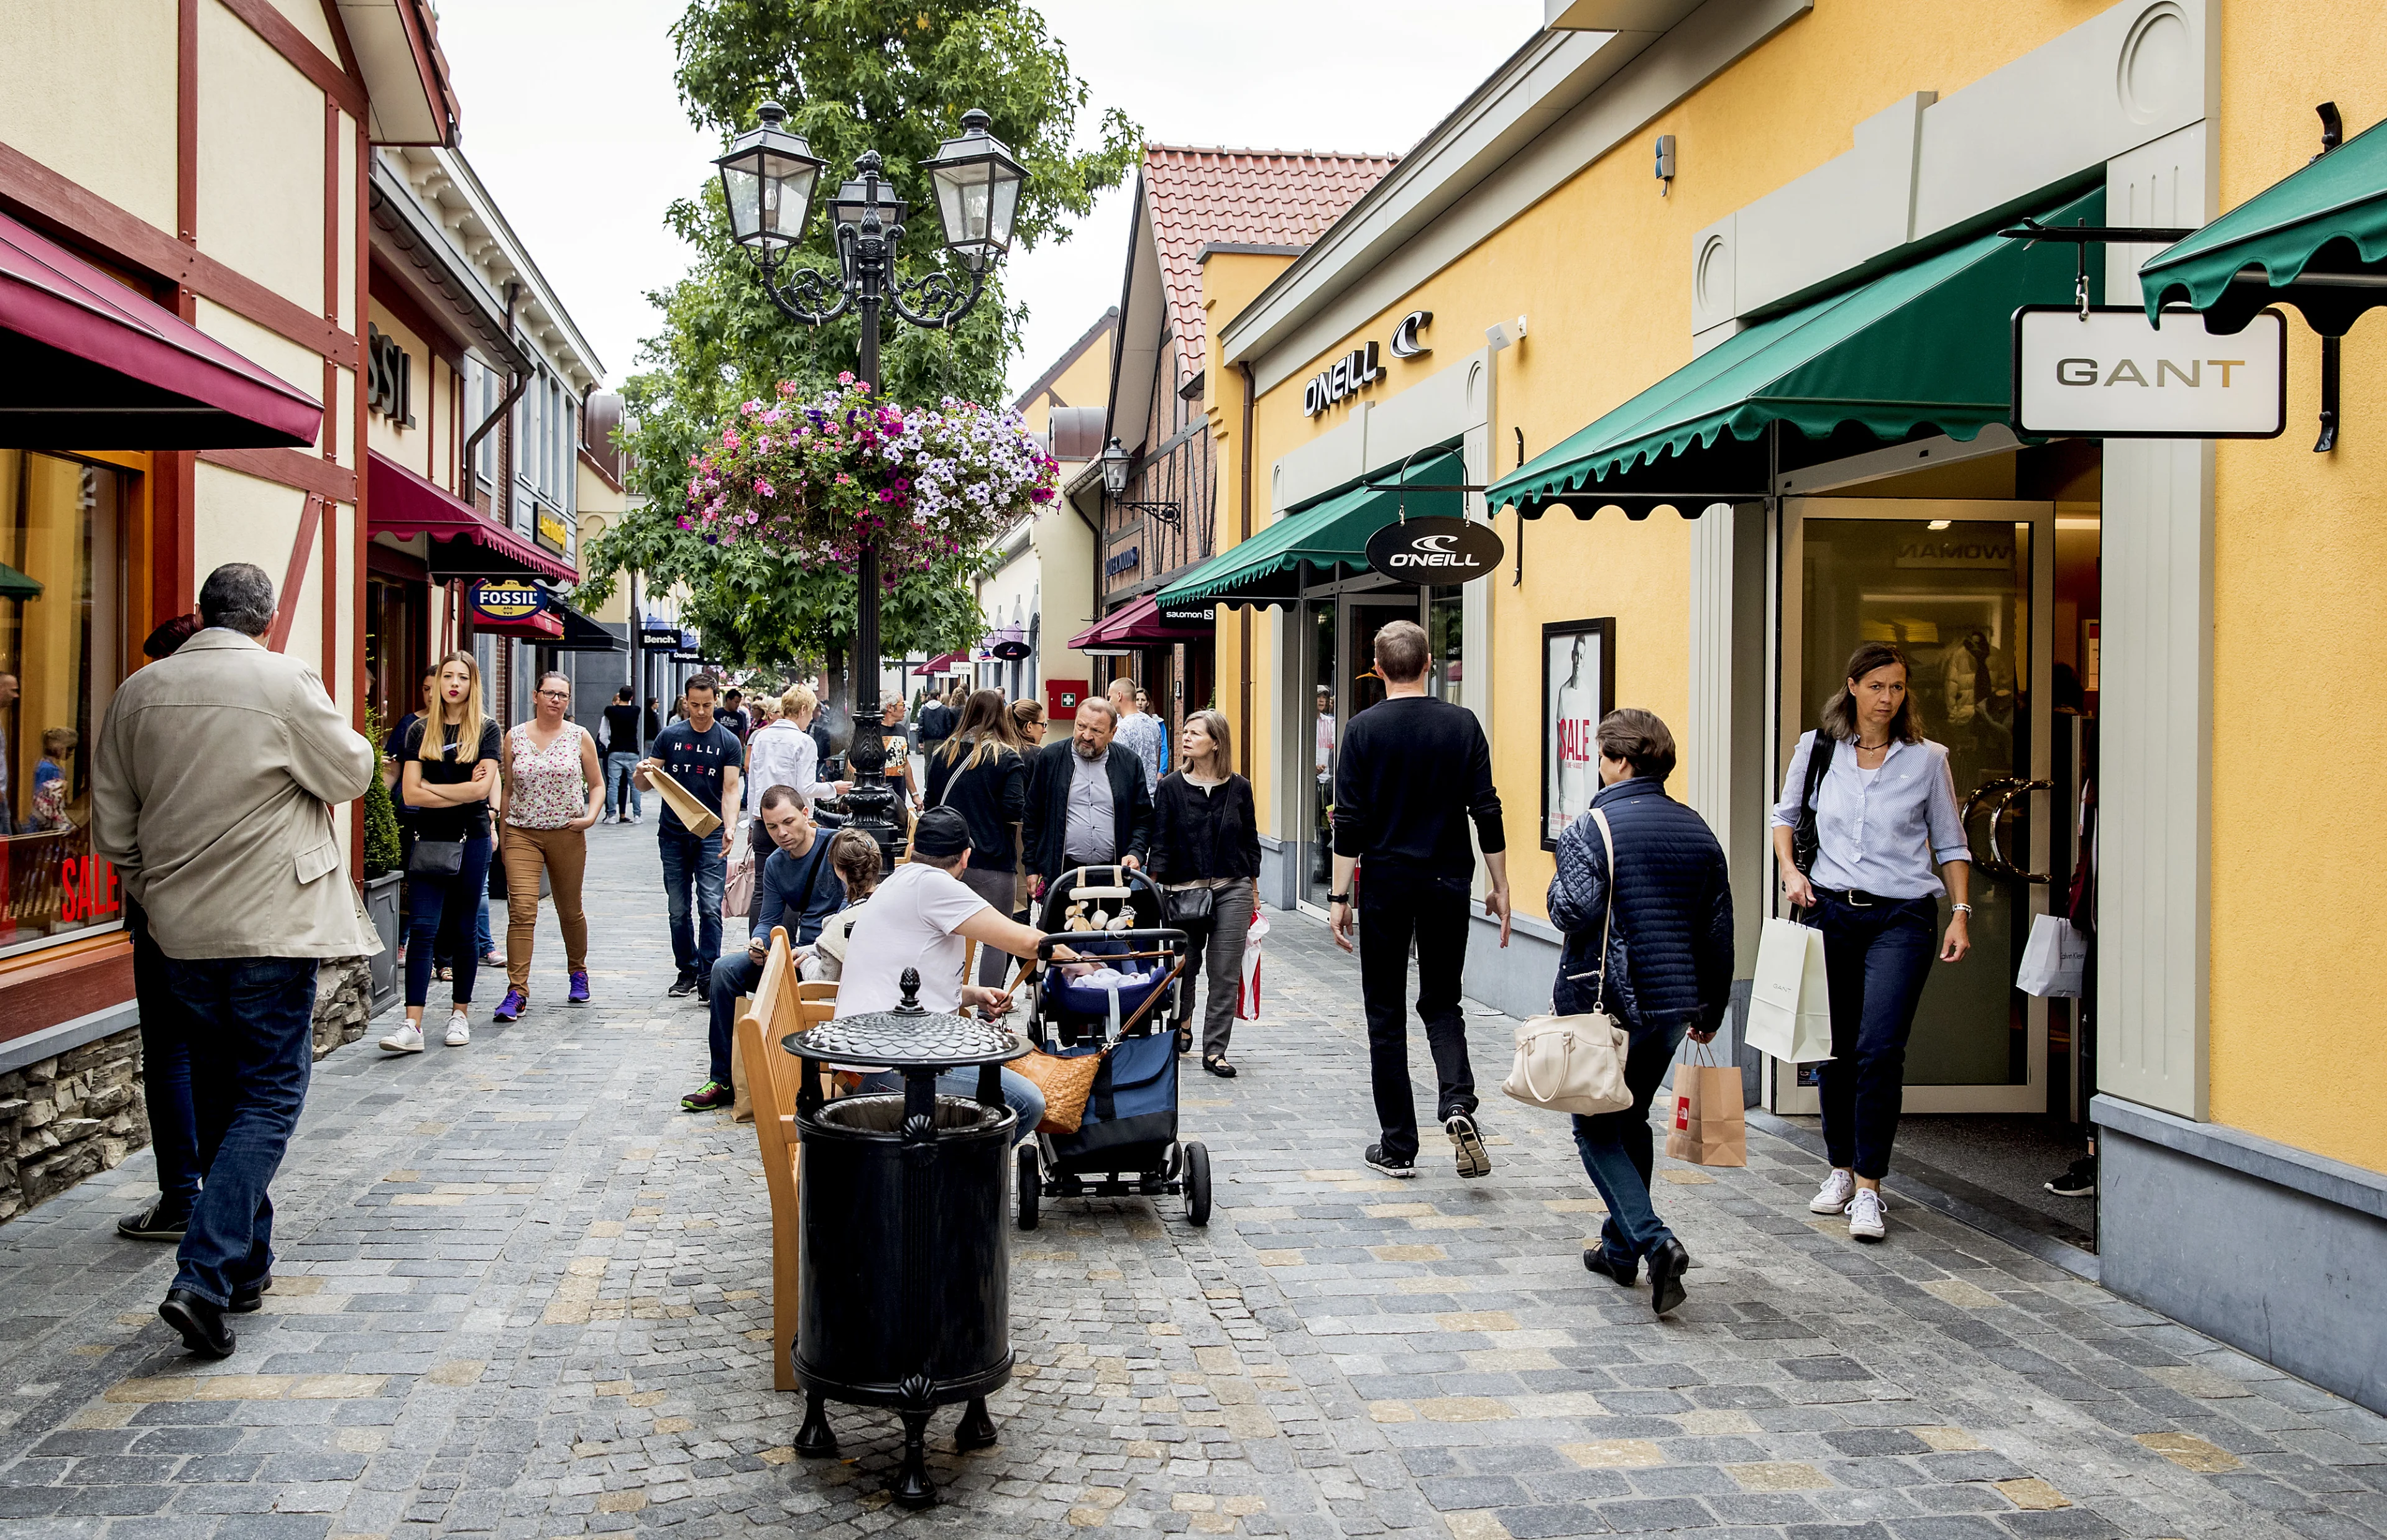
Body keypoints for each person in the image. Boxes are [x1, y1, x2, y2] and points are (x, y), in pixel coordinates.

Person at [90, 562, 377, 1357]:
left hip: (180, 931)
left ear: (201, 611)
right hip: (272, 923)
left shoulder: (138, 692)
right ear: (268, 619)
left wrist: (157, 893)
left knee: (221, 1097)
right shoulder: (284, 680)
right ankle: (205, 1275)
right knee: (271, 1096)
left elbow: (112, 827)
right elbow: (352, 771)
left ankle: (247, 1268)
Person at [1770, 640, 1972, 1242]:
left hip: (1901, 919)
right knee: (1834, 1048)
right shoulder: (1818, 749)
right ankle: (1840, 1168)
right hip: (1830, 911)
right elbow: (1785, 817)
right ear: (1853, 686)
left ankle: (1870, 1187)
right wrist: (1791, 871)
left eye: (1897, 687)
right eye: (1877, 686)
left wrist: (1960, 913)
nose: (1887, 698)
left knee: (1880, 1048)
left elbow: (1951, 843)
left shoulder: (1928, 760)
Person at [1547, 710, 1733, 1318]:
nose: (1598, 766)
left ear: (1621, 761)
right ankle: (1619, 1250)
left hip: (1611, 1003)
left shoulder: (1592, 826)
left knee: (1595, 1126)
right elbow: (1717, 929)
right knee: (1633, 1118)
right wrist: (1712, 1004)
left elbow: (1573, 911)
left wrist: (1554, 886)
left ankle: (1655, 1243)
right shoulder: (1697, 829)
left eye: (1603, 755)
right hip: (1674, 1005)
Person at [1330, 620, 1511, 1181]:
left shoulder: (1361, 730)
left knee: (1385, 1013)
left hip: (1386, 882)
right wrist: (1501, 884)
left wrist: (1339, 895)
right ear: (1429, 663)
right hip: (1447, 881)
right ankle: (1457, 1101)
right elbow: (1486, 808)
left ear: (1377, 669)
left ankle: (1398, 1146)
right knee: (1442, 1000)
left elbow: (1349, 822)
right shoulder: (1462, 724)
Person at [837, 808, 1067, 1134]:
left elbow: (905, 979)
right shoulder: (933, 885)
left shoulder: (902, 879)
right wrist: (1084, 963)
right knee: (1026, 1101)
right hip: (891, 1068)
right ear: (965, 857)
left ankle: (955, 1161)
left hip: (873, 1058)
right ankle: (956, 1168)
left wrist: (971, 995)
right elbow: (1030, 943)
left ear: (913, 850)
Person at [113, 615, 206, 1245]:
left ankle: (182, 1196)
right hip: (239, 912)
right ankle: (222, 1200)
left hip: (160, 908)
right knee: (231, 1060)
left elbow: (115, 817)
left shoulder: (142, 710)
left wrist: (145, 892)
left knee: (171, 1051)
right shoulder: (248, 706)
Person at [681, 786, 846, 1112]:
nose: (781, 833)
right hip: (794, 956)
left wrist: (814, 948)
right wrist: (759, 942)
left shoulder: (837, 846)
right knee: (724, 970)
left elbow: (852, 910)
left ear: (805, 814)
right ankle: (723, 1079)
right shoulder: (774, 863)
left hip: (832, 954)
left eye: (788, 822)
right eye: (772, 827)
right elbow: (768, 918)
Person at [379, 650, 502, 1053]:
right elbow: (411, 794)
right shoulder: (419, 731)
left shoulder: (486, 730)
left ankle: (459, 1014)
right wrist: (458, 792)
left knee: (465, 930)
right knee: (423, 930)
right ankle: (412, 1024)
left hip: (472, 838)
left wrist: (433, 788)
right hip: (428, 839)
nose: (453, 684)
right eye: (448, 676)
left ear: (472, 684)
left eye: (461, 677)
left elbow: (481, 792)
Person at [1149, 709, 1260, 1078]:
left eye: (1195, 734)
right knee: (1186, 968)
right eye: (1185, 732)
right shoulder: (1170, 787)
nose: (1186, 738)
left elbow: (1250, 842)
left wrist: (1253, 889)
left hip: (1232, 888)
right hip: (1182, 891)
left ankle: (1216, 1051)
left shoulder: (1240, 788)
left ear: (1216, 743)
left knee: (1224, 973)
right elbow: (1160, 840)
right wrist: (1155, 886)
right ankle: (1182, 1023)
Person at [492, 672, 603, 1023]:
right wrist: (504, 835)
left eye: (562, 695)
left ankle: (578, 972)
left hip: (566, 832)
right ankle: (517, 991)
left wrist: (590, 818)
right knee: (522, 911)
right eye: (549, 693)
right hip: (522, 833)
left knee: (570, 910)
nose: (556, 700)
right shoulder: (514, 736)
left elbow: (597, 784)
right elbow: (508, 788)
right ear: (535, 695)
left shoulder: (579, 736)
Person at [637, 673, 743, 999]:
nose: (700, 711)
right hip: (672, 833)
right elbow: (645, 784)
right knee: (678, 908)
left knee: (710, 906)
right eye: (694, 705)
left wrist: (730, 826)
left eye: (707, 705)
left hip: (710, 832)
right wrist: (641, 773)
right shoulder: (669, 737)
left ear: (715, 701)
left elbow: (730, 789)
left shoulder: (728, 741)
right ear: (685, 701)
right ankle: (687, 969)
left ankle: (709, 975)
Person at [925, 689, 1028, 978]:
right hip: (992, 860)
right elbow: (1013, 810)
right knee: (997, 940)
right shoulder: (1007, 758)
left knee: (943, 935)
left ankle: (943, 997)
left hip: (946, 859)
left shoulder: (943, 754)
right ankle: (989, 1003)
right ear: (1000, 716)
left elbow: (932, 805)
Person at [1022, 697, 1154, 899]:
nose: (1086, 735)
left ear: (1113, 733)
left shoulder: (1129, 763)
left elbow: (1143, 817)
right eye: (1081, 726)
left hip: (1114, 876)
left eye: (1097, 731)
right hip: (1062, 875)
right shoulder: (1051, 758)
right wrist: (1031, 867)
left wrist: (1136, 852)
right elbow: (1033, 816)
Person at [747, 684, 850, 817]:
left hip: (762, 816)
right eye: (811, 712)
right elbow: (806, 788)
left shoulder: (761, 738)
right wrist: (833, 788)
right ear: (803, 710)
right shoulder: (805, 742)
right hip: (790, 818)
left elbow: (753, 786)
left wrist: (752, 820)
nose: (811, 718)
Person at [804, 828, 885, 983]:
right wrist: (810, 950)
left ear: (839, 870)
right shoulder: (891, 902)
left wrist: (807, 963)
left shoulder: (840, 925)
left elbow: (825, 979)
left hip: (857, 994)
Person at [1108, 677, 1166, 797]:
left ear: (1119, 696)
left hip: (1130, 797)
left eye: (1110, 697)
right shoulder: (1154, 724)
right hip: (1151, 795)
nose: (1109, 701)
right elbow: (1157, 759)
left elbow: (1116, 767)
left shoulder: (1121, 728)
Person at [604, 685, 644, 823]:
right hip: (632, 751)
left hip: (615, 750)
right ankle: (637, 815)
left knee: (613, 785)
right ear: (631, 697)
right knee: (635, 785)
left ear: (619, 696)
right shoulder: (636, 710)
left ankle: (611, 815)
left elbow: (607, 713)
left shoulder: (610, 711)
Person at [28, 725, 75, 830]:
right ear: (59, 748)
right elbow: (41, 799)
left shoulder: (58, 768)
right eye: (69, 749)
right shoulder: (46, 768)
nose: (71, 753)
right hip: (45, 823)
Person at [876, 697, 919, 811]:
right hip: (877, 799)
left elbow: (905, 764)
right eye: (902, 705)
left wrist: (914, 795)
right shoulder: (873, 731)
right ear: (890, 708)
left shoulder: (902, 730)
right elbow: (852, 764)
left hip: (899, 798)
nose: (905, 709)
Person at [917, 681, 959, 761]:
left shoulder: (924, 709)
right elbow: (948, 725)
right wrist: (949, 738)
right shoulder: (944, 709)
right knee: (938, 761)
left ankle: (927, 771)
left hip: (928, 739)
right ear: (938, 696)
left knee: (928, 762)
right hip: (941, 739)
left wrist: (920, 740)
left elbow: (921, 725)